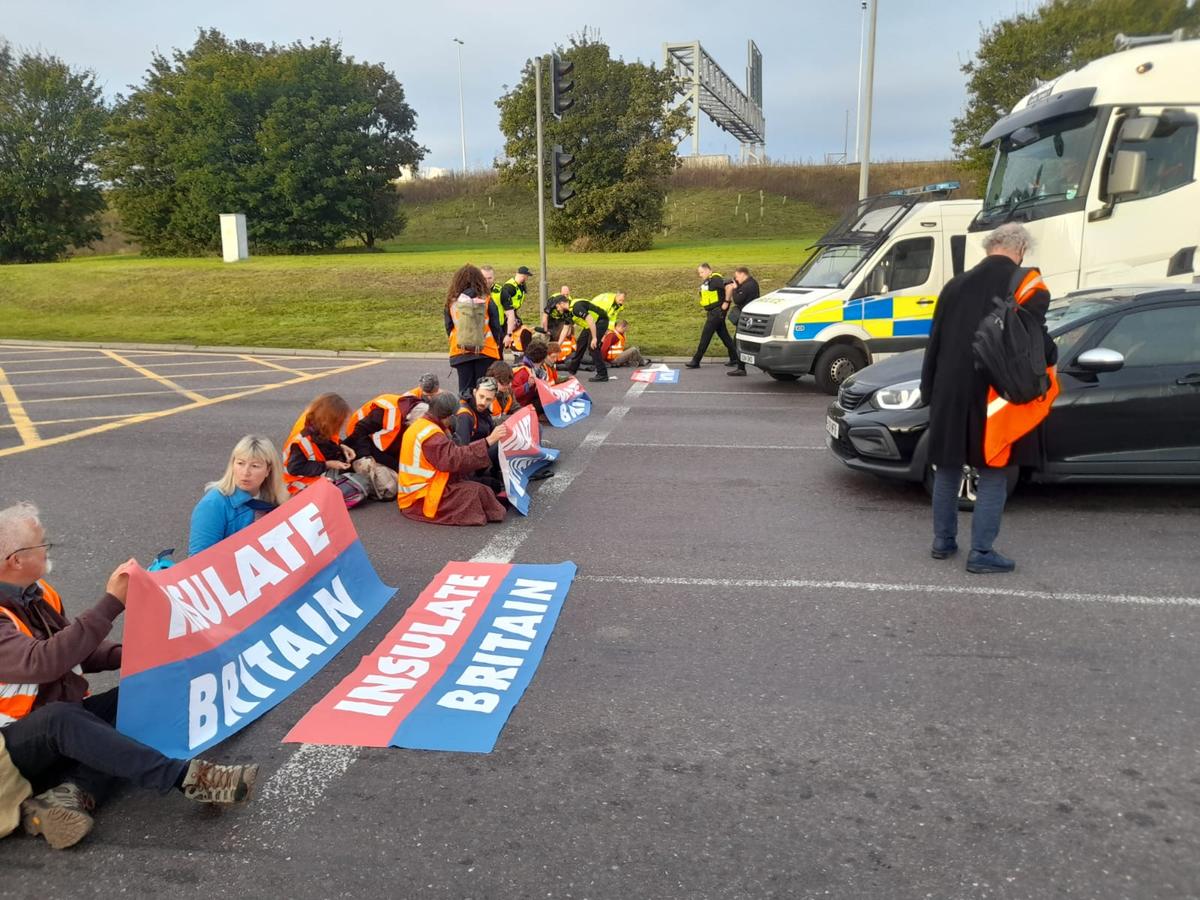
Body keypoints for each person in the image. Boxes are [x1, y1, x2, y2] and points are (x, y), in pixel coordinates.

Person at [0, 503, 257, 850]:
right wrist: (112, 602)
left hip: (51, 729)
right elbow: (43, 662)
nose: (48, 550)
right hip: (10, 748)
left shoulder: (38, 592)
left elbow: (74, 650)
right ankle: (189, 780)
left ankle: (70, 795)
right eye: (41, 545)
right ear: (15, 560)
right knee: (62, 719)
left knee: (138, 697)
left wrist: (136, 656)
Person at [919, 222, 1056, 574]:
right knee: (995, 470)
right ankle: (981, 552)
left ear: (988, 247)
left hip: (950, 389)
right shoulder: (1028, 284)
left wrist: (928, 389)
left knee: (948, 467)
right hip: (998, 393)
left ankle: (942, 542)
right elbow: (1037, 343)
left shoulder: (954, 285)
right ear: (1021, 249)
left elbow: (934, 342)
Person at [396, 393, 510, 526]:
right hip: (421, 497)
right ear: (448, 416)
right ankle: (495, 509)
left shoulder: (423, 424)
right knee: (476, 492)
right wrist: (488, 441)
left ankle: (494, 506)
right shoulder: (432, 436)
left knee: (483, 486)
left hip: (427, 485)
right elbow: (455, 459)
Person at [188, 435, 287, 556]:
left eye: (255, 466)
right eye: (240, 463)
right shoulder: (213, 505)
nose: (245, 472)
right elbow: (199, 560)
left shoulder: (278, 500)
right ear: (232, 464)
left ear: (268, 470)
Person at [343, 374, 442, 472]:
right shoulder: (386, 412)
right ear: (409, 420)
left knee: (396, 463)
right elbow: (359, 430)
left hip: (376, 436)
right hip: (356, 437)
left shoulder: (412, 408)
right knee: (386, 470)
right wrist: (365, 455)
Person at [446, 265, 504, 397]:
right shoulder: (486, 298)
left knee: (465, 391)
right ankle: (482, 415)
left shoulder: (451, 301)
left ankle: (465, 414)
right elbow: (495, 325)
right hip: (485, 349)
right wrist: (498, 342)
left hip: (460, 349)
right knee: (483, 391)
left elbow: (448, 325)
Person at [282, 393, 356, 495]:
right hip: (297, 483)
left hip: (313, 475)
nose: (342, 425)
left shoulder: (319, 425)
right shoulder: (301, 441)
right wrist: (327, 464)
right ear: (330, 421)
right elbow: (295, 468)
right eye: (340, 422)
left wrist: (342, 447)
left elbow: (329, 442)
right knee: (342, 492)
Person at [452, 377, 504, 492]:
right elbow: (461, 454)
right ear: (475, 392)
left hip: (478, 456)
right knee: (500, 443)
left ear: (493, 399)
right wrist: (489, 440)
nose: (483, 402)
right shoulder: (465, 415)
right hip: (468, 466)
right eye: (481, 396)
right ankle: (496, 475)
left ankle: (498, 472)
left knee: (504, 437)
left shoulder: (481, 409)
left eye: (488, 399)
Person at [566, 291, 626, 383]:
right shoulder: (608, 301)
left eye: (623, 300)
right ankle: (572, 370)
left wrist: (603, 333)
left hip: (598, 321)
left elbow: (611, 318)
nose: (621, 302)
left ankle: (602, 374)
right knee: (581, 343)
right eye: (620, 299)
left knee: (592, 346)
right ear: (616, 295)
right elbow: (596, 315)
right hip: (593, 321)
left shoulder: (617, 305)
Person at [685, 263, 737, 369]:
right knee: (725, 336)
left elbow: (730, 286)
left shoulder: (716, 279)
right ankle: (735, 358)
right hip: (714, 312)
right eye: (699, 273)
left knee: (706, 335)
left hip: (716, 313)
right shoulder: (708, 281)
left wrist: (726, 302)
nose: (700, 275)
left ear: (709, 270)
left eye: (702, 272)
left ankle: (696, 360)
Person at [725, 266, 760, 376]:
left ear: (742, 274)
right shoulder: (751, 283)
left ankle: (741, 368)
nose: (736, 279)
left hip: (746, 318)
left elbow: (737, 300)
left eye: (737, 276)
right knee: (741, 340)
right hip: (749, 317)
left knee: (739, 341)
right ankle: (741, 366)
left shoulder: (748, 285)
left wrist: (735, 288)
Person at [499, 266, 533, 350]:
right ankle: (512, 349)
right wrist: (510, 318)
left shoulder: (520, 285)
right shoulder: (510, 287)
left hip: (513, 312)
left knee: (520, 332)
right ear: (521, 275)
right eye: (526, 276)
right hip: (507, 313)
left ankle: (516, 350)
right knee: (511, 333)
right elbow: (503, 302)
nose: (526, 278)